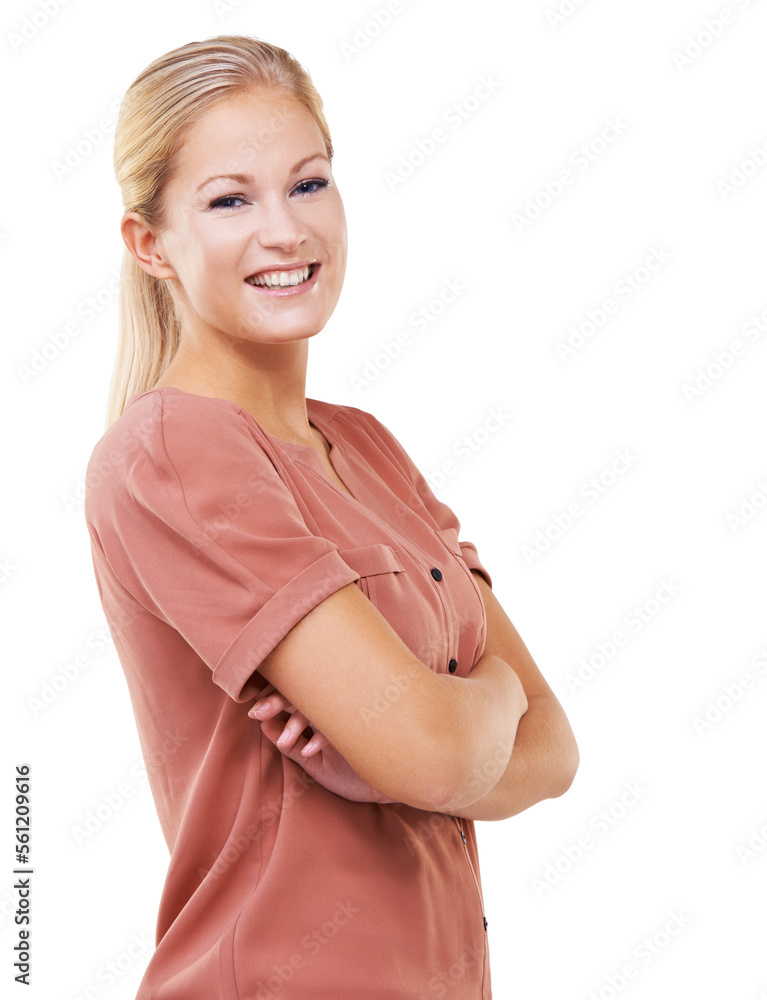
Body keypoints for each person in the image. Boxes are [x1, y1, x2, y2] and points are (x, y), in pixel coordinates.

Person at [84, 34, 579, 1000]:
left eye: (307, 184)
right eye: (230, 199)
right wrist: (479, 709)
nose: (285, 231)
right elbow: (440, 754)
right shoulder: (174, 452)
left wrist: (431, 743)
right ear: (151, 245)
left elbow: (554, 749)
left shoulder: (368, 447)